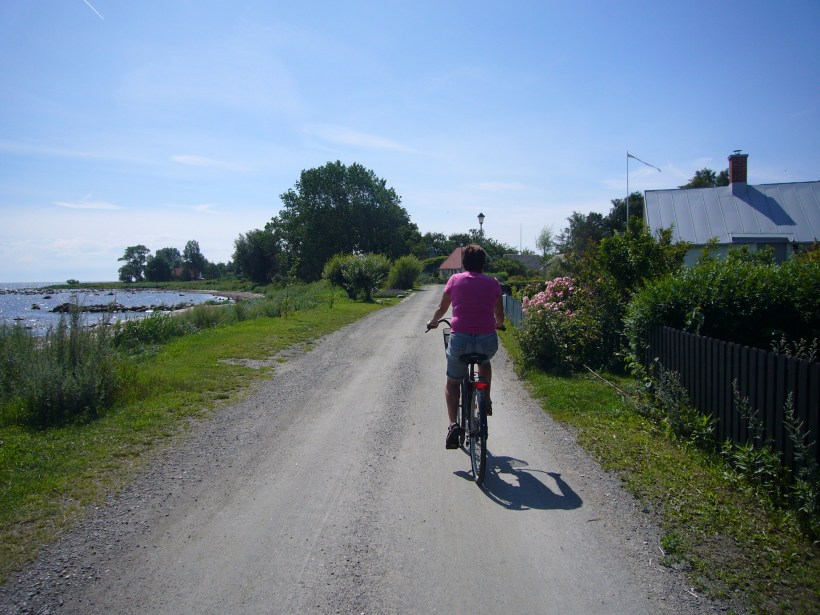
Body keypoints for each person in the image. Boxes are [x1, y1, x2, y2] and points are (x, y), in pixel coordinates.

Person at [426, 244, 505, 449]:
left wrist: (433, 322)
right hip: (486, 340)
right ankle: (486, 400)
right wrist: (499, 324)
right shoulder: (493, 283)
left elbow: (442, 308)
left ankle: (454, 425)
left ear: (463, 263)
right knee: (484, 362)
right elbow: (499, 314)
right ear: (483, 263)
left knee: (453, 383)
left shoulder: (454, 280)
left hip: (460, 339)